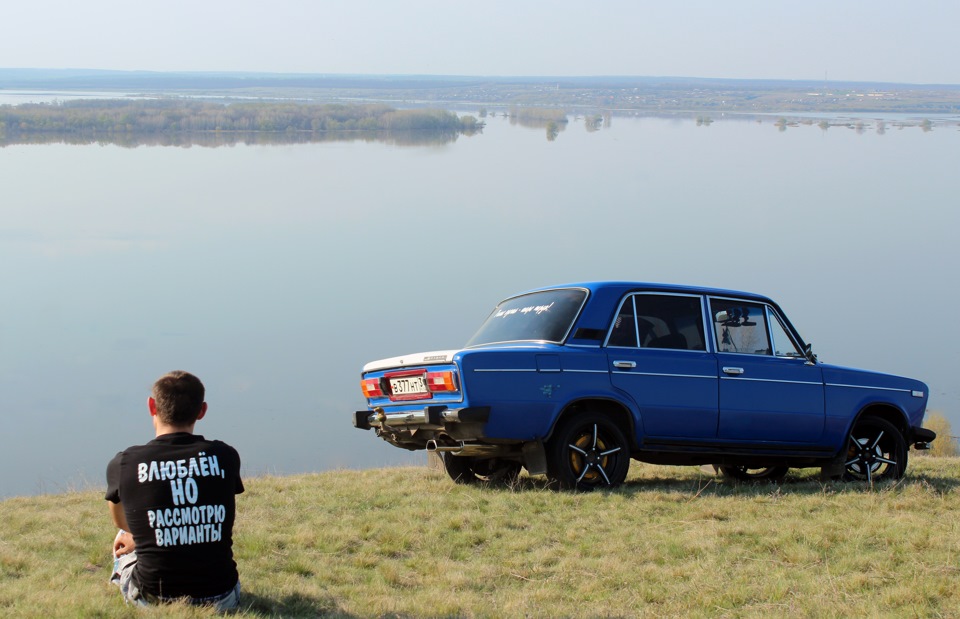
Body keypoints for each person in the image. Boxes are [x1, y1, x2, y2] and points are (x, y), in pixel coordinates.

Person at [105, 371, 243, 610]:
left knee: (123, 535)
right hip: (222, 597)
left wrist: (137, 539)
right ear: (202, 410)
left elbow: (122, 523)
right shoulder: (225, 456)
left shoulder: (125, 463)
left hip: (154, 599)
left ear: (152, 406)